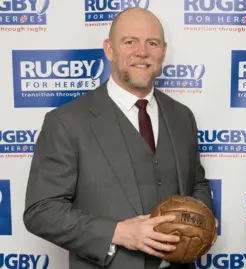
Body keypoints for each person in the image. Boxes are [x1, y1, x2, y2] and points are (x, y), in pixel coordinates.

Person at [23, 7, 214, 269]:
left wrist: (200, 221)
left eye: (152, 43)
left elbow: (198, 185)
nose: (142, 52)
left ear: (163, 51)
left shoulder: (182, 116)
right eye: (130, 41)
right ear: (109, 49)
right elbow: (41, 211)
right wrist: (118, 233)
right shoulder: (66, 121)